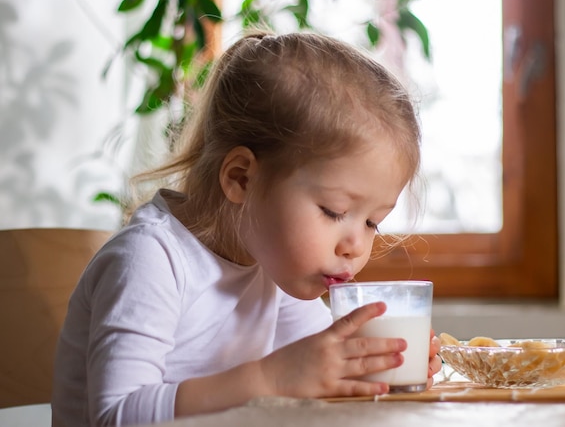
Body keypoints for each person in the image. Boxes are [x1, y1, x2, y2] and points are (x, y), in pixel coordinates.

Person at [51, 30, 442, 427]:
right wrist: (271, 377)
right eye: (333, 210)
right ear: (241, 179)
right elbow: (113, 415)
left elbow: (325, 367)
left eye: (373, 221)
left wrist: (378, 364)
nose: (355, 246)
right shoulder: (151, 259)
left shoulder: (272, 265)